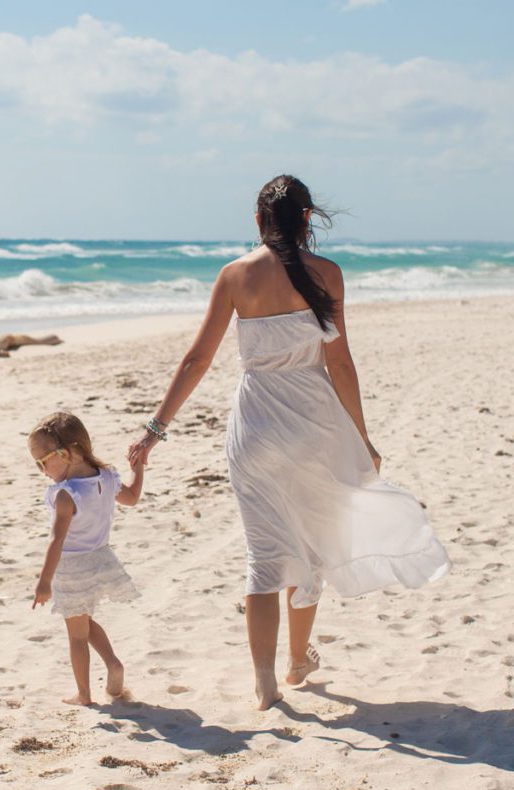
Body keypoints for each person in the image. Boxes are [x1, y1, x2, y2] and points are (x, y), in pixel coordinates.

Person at [128, 175, 451, 710]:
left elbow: (196, 360)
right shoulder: (328, 274)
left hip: (255, 427)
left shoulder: (235, 275)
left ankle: (265, 683)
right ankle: (298, 659)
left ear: (257, 221)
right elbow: (340, 362)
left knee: (265, 555)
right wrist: (362, 437)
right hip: (315, 427)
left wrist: (154, 430)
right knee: (310, 550)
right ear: (307, 220)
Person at [29, 411, 144, 706]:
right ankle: (113, 664)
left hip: (71, 568)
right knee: (85, 621)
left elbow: (57, 541)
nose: (41, 470)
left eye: (43, 461)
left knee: (77, 635)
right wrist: (138, 469)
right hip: (100, 560)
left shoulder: (66, 494)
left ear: (69, 453)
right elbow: (131, 498)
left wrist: (44, 582)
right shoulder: (106, 477)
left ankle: (84, 694)